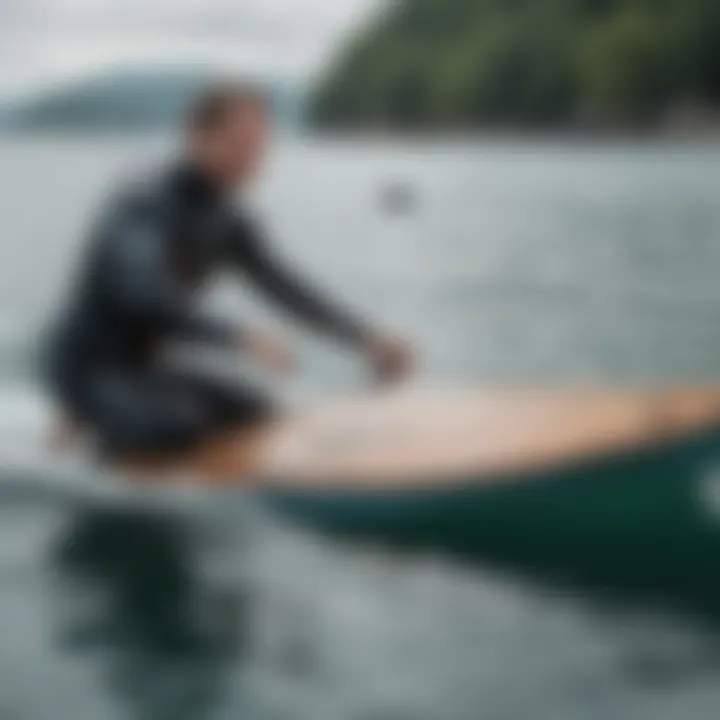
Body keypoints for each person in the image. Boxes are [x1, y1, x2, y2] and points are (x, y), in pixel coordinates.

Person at [46, 82, 413, 457]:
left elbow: (284, 286)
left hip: (147, 369)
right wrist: (235, 335)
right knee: (172, 429)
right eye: (242, 141)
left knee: (258, 412)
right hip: (88, 367)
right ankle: (80, 422)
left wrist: (364, 338)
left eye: (260, 142)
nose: (255, 155)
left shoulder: (227, 218)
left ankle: (118, 415)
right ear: (198, 138)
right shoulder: (145, 203)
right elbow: (142, 292)